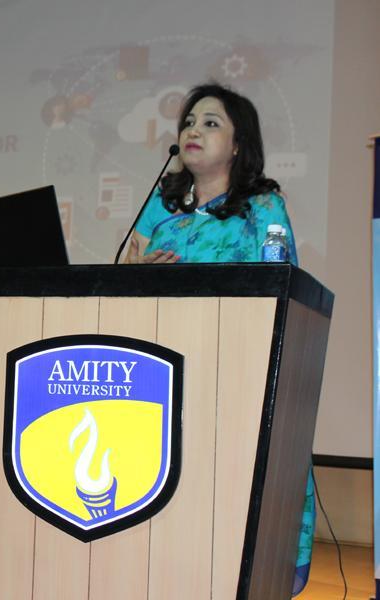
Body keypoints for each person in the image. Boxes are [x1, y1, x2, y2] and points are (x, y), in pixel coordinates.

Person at [122, 81, 312, 595]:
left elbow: (280, 284)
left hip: (233, 375)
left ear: (237, 144)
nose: (193, 130)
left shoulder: (262, 206)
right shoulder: (161, 204)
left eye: (211, 123)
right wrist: (139, 274)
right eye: (188, 122)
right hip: (162, 378)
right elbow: (123, 272)